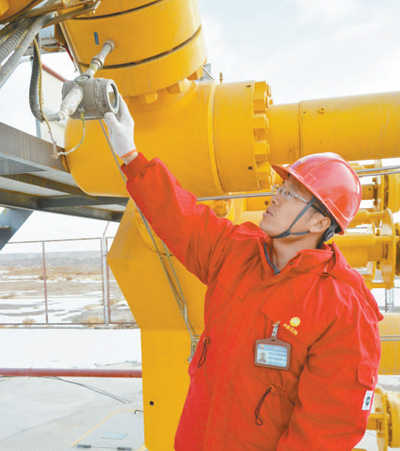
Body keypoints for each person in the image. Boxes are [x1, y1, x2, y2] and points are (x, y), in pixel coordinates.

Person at [104, 97, 382, 451]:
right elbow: (180, 217)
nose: (275, 198)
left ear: (319, 222)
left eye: (291, 194)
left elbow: (324, 432)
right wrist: (130, 155)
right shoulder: (236, 251)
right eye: (280, 188)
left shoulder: (343, 311)